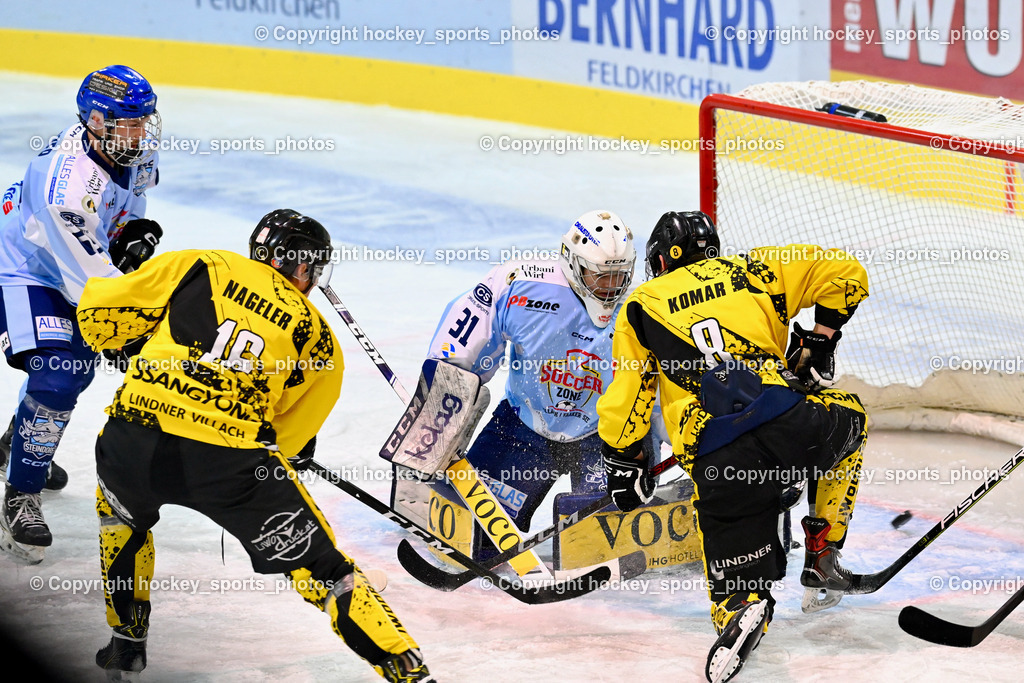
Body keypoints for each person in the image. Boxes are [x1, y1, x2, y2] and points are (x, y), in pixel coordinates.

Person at [76, 209, 434, 682]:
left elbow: (97, 314)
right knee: (328, 573)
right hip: (229, 466)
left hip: (132, 440)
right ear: (303, 267)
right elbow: (289, 438)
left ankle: (126, 643)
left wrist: (126, 346)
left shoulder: (199, 263)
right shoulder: (317, 335)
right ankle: (409, 671)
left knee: (120, 519)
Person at [596, 211, 869, 683]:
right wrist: (820, 342)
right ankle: (823, 554)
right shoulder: (754, 269)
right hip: (791, 424)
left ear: (660, 262)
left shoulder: (641, 304)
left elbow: (630, 398)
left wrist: (626, 461)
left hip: (717, 455)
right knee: (851, 419)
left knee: (736, 568)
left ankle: (743, 605)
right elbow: (846, 273)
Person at [402, 210, 638, 560]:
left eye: (619, 276)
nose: (611, 287)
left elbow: (659, 390)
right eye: (600, 276)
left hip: (605, 438)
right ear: (573, 263)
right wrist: (439, 418)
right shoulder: (519, 283)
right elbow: (458, 352)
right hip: (524, 427)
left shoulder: (639, 306)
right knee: (470, 540)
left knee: (610, 551)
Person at [0, 64, 163, 561]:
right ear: (95, 120)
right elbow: (90, 285)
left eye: (144, 121)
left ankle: (16, 445)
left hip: (69, 264)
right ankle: (20, 494)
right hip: (24, 269)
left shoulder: (129, 150)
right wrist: (128, 330)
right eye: (128, 123)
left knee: (71, 373)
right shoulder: (65, 189)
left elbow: (123, 211)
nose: (140, 133)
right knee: (59, 373)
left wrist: (128, 235)